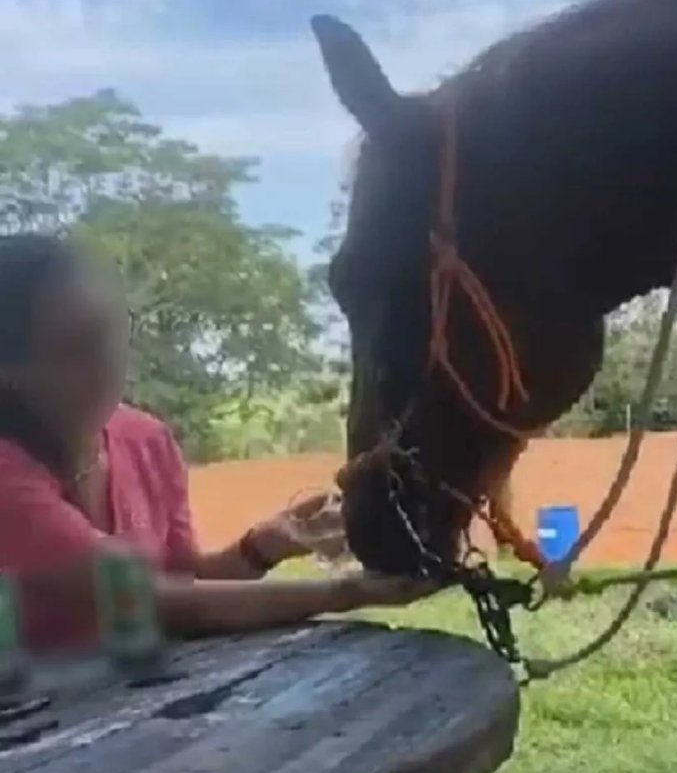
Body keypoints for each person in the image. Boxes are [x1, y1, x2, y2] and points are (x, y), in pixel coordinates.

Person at [0, 233, 433, 651]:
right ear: (11, 373)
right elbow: (149, 602)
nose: (108, 359)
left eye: (112, 329)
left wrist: (265, 545)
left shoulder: (146, 441)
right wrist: (345, 593)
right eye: (74, 348)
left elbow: (184, 582)